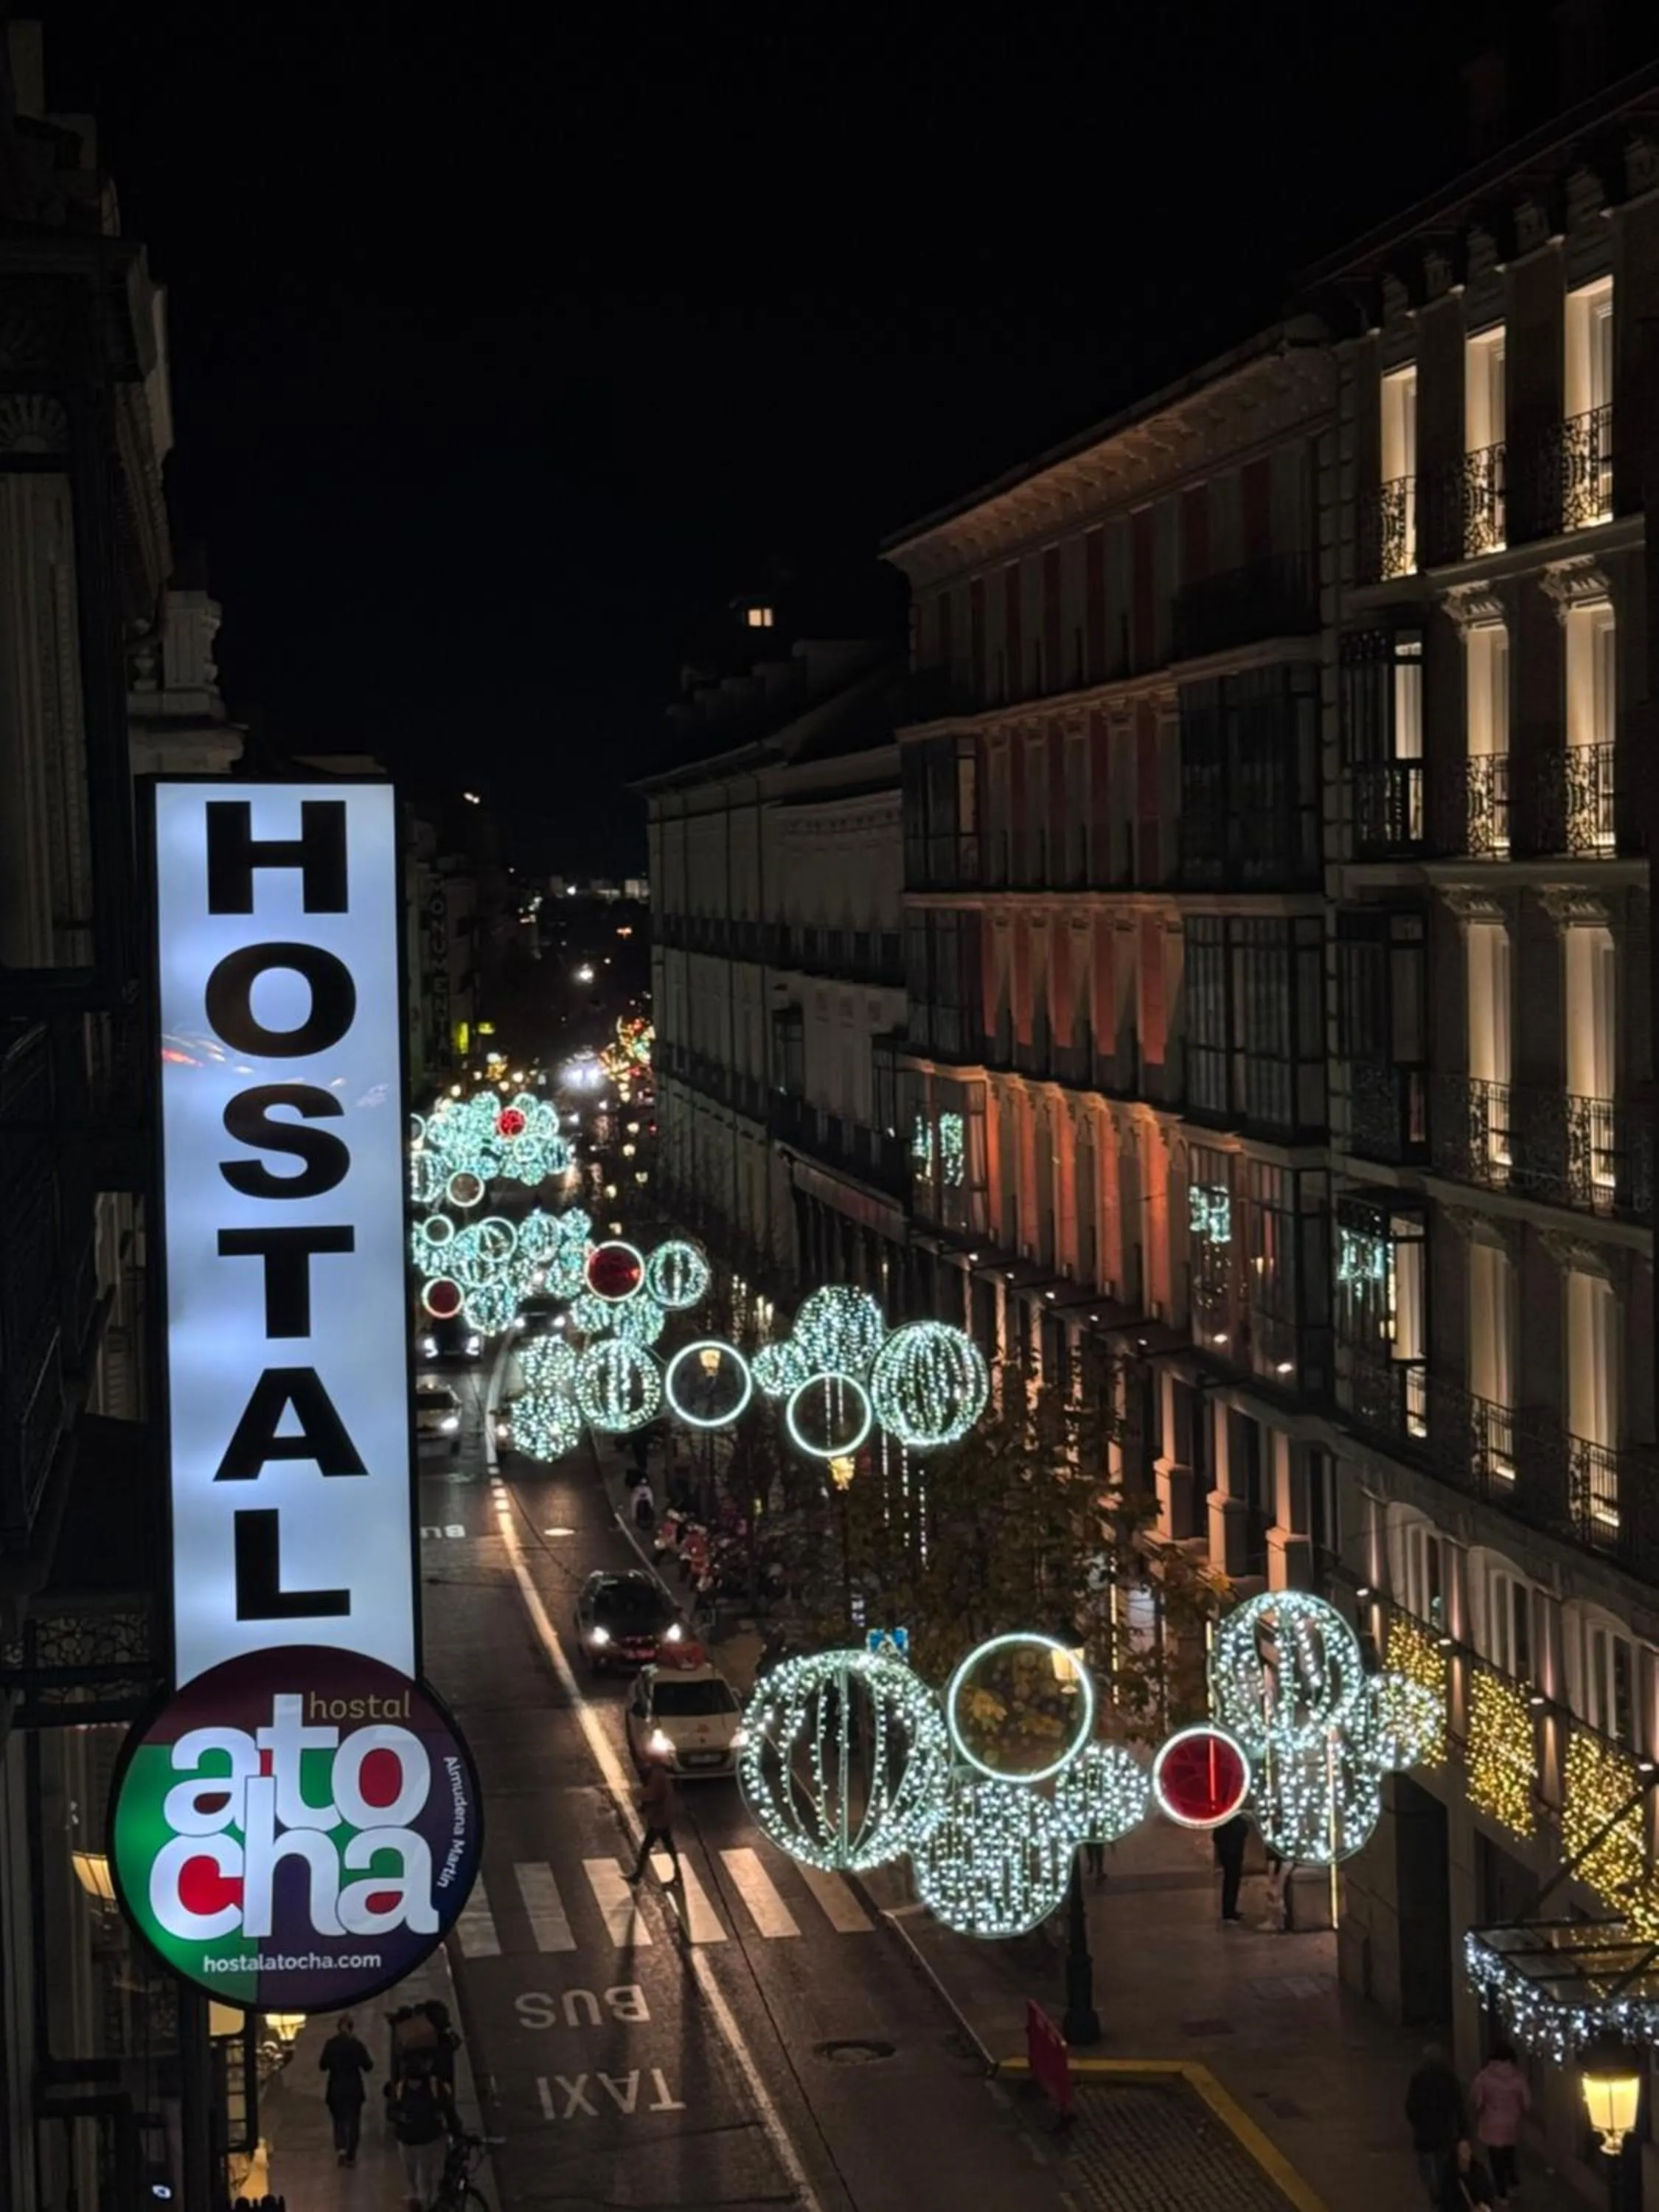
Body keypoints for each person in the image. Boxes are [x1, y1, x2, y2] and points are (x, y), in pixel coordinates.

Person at [387, 2052, 459, 2211]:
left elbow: (391, 2112)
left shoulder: (402, 2088)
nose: (414, 2084)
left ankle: (421, 2202)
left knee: (420, 2178)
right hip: (422, 2141)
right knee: (420, 2177)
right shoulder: (431, 2087)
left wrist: (402, 2118)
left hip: (417, 2142)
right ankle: (423, 2201)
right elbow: (449, 2111)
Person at [1470, 2042, 1530, 2205]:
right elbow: (1527, 2102)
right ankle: (1512, 2183)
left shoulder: (1484, 2077)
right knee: (1510, 2155)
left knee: (1495, 2159)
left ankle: (1501, 2192)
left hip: (1491, 2123)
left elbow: (1477, 2099)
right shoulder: (1518, 2077)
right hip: (1512, 2124)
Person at [1407, 2045, 1469, 2204]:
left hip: (1424, 2131)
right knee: (1442, 2161)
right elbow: (1458, 2105)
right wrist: (1463, 2131)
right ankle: (1442, 2190)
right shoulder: (1449, 2078)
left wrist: (1415, 2121)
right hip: (1444, 2129)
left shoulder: (1418, 2078)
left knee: (1425, 2164)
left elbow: (1411, 2105)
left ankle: (1435, 2191)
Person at [317, 2013, 373, 2166]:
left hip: (335, 2087)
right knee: (354, 2122)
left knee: (338, 2121)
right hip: (354, 2087)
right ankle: (351, 2154)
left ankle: (341, 2148)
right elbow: (368, 2066)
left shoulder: (331, 2044)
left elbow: (322, 2066)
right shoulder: (357, 2044)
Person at [625, 1757, 679, 1884]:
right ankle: (677, 1873)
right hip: (661, 1817)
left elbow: (653, 1794)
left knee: (646, 1847)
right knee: (668, 1846)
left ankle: (637, 1875)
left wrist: (637, 1793)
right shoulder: (659, 1774)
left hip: (659, 1818)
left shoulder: (657, 1775)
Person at [1439, 2138, 1496, 2211]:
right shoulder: (1450, 2175)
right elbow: (1448, 2202)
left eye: (1468, 2148)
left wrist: (1484, 2206)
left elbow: (1488, 2193)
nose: (1467, 2152)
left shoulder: (1479, 2171)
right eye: (1463, 2150)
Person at [1213, 1811, 1249, 1923]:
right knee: (1232, 1881)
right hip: (1233, 1853)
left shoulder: (1221, 1820)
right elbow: (1242, 1830)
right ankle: (1229, 1912)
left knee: (1230, 1880)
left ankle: (1229, 1910)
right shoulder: (1233, 1821)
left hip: (1228, 1851)